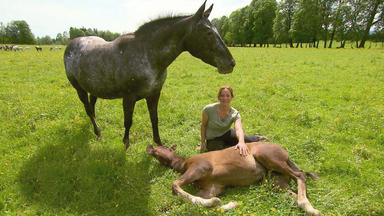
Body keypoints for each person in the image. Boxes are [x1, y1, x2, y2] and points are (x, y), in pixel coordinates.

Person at [197, 86, 268, 156]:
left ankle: (258, 138)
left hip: (226, 133)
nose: (225, 98)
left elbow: (239, 129)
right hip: (213, 138)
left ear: (231, 97)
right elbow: (203, 125)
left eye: (228, 96)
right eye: (222, 96)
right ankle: (214, 144)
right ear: (218, 97)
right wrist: (203, 142)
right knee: (221, 153)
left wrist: (241, 142)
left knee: (246, 140)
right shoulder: (208, 109)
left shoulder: (235, 113)